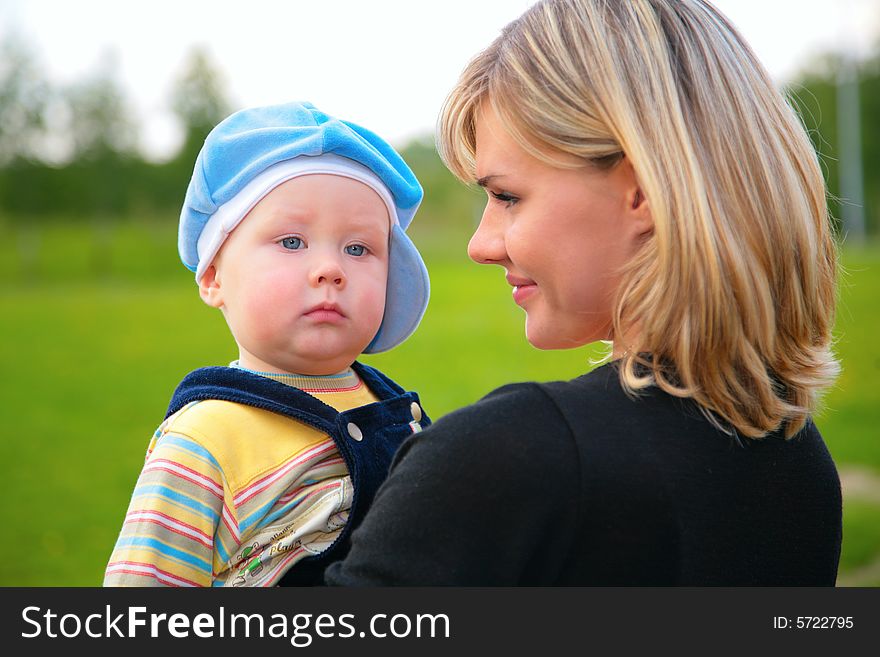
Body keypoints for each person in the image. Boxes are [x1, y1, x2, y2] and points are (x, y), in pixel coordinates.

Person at [325, 0, 842, 586]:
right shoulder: (796, 459)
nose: (481, 244)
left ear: (642, 192)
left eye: (508, 196)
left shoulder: (507, 461)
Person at [104, 101, 430, 587]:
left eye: (358, 248)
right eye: (292, 242)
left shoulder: (399, 414)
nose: (330, 269)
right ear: (214, 276)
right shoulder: (204, 442)